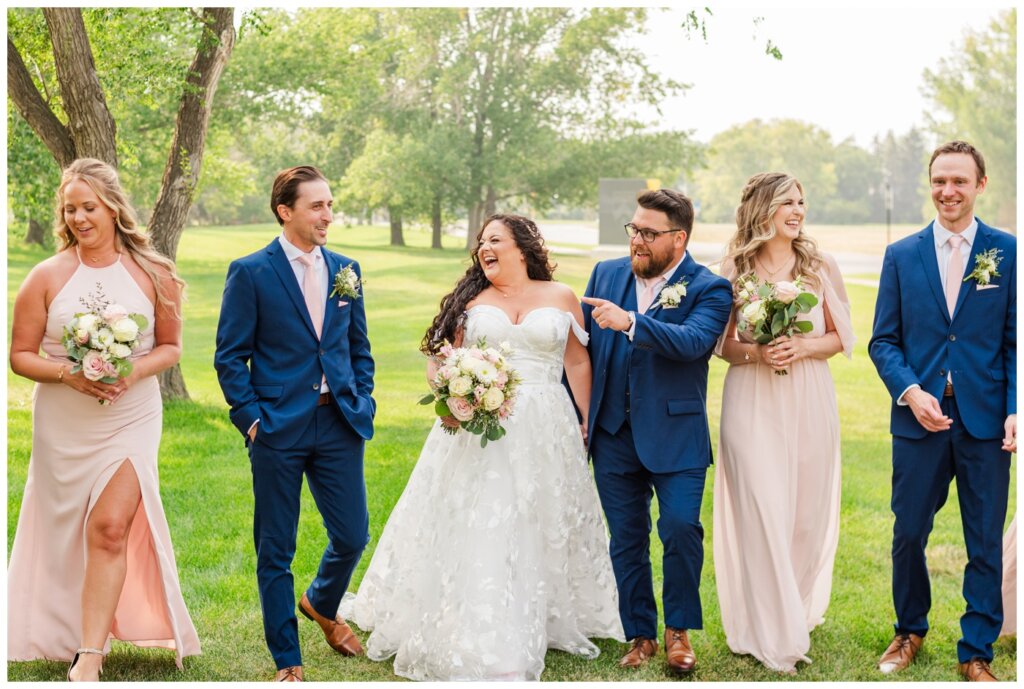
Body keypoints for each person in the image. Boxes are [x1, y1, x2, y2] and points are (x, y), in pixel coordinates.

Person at [341, 214, 624, 681]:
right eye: (480, 242)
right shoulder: (472, 301)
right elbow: (441, 363)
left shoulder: (561, 297)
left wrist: (585, 421)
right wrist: (450, 397)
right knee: (482, 513)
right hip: (481, 425)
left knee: (537, 515)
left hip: (546, 424)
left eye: (495, 239)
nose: (484, 248)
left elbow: (577, 362)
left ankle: (546, 612)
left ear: (523, 248)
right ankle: (476, 615)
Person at [8, 158, 200, 680]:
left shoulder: (154, 273)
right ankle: (58, 626)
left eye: (88, 207)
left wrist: (131, 370)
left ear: (113, 206)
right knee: (67, 529)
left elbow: (170, 347)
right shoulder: (45, 276)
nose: (79, 218)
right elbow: (20, 355)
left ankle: (91, 653)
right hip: (64, 423)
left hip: (130, 416)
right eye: (70, 209)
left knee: (111, 527)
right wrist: (68, 373)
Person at [214, 165, 375, 682]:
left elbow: (358, 349)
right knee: (276, 549)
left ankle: (321, 602)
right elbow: (229, 356)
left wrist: (362, 399)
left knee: (352, 534)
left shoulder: (347, 269)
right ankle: (288, 659)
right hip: (277, 428)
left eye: (330, 204)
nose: (328, 214)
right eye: (317, 206)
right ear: (286, 211)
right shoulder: (251, 271)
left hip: (339, 423)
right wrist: (252, 420)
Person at [869, 140, 1016, 682]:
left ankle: (976, 650)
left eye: (959, 181)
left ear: (980, 185)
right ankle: (909, 629)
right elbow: (883, 342)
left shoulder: (1009, 252)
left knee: (984, 539)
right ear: (929, 185)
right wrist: (910, 392)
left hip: (985, 421)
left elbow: (1015, 342)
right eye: (938, 181)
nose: (947, 191)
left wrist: (1016, 408)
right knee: (908, 531)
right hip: (918, 420)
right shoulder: (901, 255)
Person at [581, 189, 732, 674]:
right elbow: (582, 351)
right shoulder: (607, 273)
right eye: (634, 230)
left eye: (649, 233)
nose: (637, 241)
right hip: (612, 432)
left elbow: (693, 343)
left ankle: (678, 632)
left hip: (677, 434)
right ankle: (640, 634)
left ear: (679, 237)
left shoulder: (710, 287)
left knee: (682, 529)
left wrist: (632, 323)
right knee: (626, 538)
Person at [712, 172, 854, 673]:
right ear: (761, 209)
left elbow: (841, 337)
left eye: (801, 201)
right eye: (786, 202)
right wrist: (756, 352)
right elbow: (721, 344)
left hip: (809, 397)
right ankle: (775, 636)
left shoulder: (819, 266)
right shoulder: (732, 269)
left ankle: (787, 611)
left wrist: (802, 346)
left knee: (804, 516)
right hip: (752, 399)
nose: (798, 210)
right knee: (762, 508)